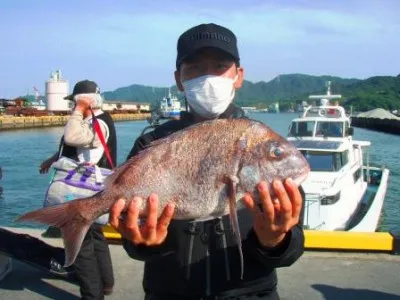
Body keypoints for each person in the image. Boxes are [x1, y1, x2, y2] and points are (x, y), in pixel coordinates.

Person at [109, 23, 305, 300]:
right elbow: (135, 241)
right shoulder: (150, 144)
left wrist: (275, 240)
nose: (208, 77)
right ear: (179, 79)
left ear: (238, 75)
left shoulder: (264, 144)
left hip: (251, 294)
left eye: (220, 66)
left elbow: (293, 246)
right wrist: (143, 243)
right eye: (195, 69)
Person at [41, 80, 117, 299]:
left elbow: (71, 137)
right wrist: (52, 159)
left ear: (85, 101)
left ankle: (92, 295)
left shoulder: (96, 123)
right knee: (96, 236)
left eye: (74, 102)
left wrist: (78, 110)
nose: (72, 107)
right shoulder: (101, 119)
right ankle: (106, 283)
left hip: (82, 193)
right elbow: (76, 148)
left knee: (80, 245)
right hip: (95, 191)